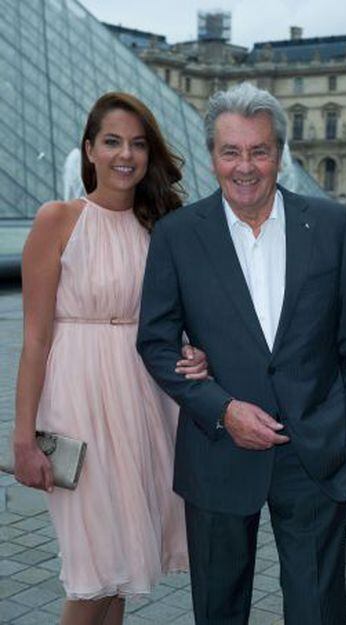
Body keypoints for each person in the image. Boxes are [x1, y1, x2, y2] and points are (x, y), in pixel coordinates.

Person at [137, 82, 346, 625]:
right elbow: (155, 342)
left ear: (279, 153)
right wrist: (220, 409)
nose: (244, 166)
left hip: (314, 452)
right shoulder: (177, 236)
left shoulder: (334, 227)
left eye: (259, 150)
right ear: (213, 156)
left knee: (318, 611)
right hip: (217, 451)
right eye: (231, 151)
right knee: (219, 612)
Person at [13, 92, 209, 625]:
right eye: (113, 141)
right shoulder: (58, 219)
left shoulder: (161, 227)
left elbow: (174, 319)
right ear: (90, 150)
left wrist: (193, 351)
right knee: (96, 568)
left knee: (119, 570)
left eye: (138, 144)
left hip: (144, 400)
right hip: (78, 398)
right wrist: (24, 437)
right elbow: (34, 339)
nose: (126, 155)